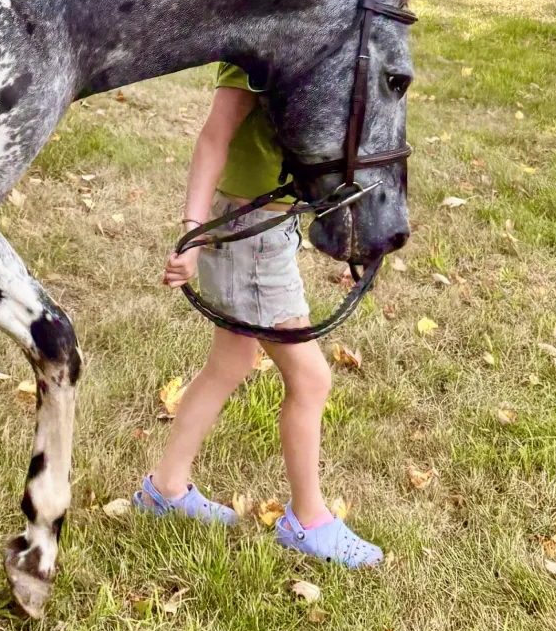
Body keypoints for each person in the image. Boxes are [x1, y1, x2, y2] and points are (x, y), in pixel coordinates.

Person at [134, 65, 384, 568]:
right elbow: (214, 136)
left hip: (268, 230)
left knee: (229, 363)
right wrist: (193, 232)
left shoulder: (311, 39)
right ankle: (308, 520)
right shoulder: (257, 47)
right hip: (249, 237)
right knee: (311, 379)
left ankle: (166, 489)